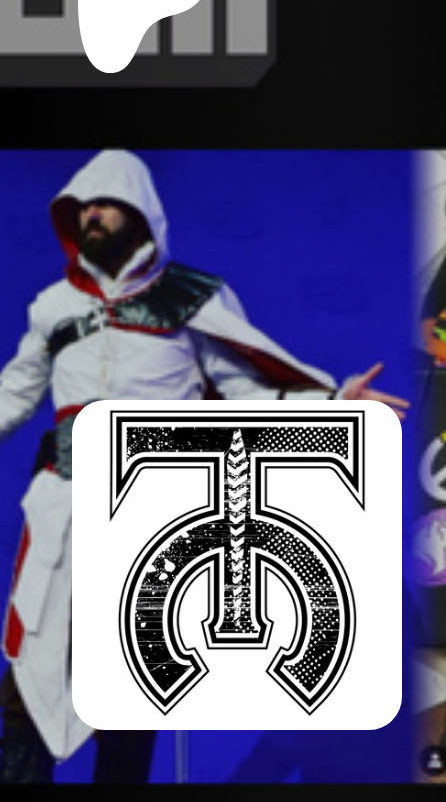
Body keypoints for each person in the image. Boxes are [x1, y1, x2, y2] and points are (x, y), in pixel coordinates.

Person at [0, 151, 410, 784]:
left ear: (139, 210)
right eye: (82, 207)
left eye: (105, 203)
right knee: (33, 663)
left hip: (145, 509)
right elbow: (13, 394)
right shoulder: (52, 307)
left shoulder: (194, 297)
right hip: (63, 507)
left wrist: (332, 401)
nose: (91, 216)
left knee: (130, 686)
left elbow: (246, 391)